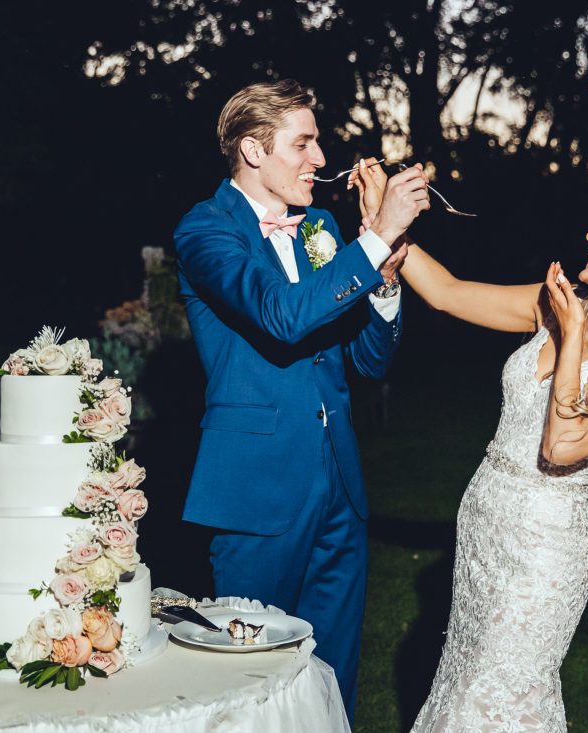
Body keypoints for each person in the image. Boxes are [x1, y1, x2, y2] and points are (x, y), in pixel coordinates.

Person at [352, 160, 588, 732]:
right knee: (457, 686)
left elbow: (562, 447)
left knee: (493, 699)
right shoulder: (558, 303)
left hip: (541, 553)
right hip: (482, 524)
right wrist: (384, 220)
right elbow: (448, 293)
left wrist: (573, 337)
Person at [172, 80, 430, 722]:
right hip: (257, 491)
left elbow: (367, 359)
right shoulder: (206, 230)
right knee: (250, 679)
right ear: (255, 150)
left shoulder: (321, 227)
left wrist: (386, 280)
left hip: (340, 484)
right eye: (304, 144)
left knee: (333, 671)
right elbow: (282, 318)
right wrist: (373, 243)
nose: (320, 159)